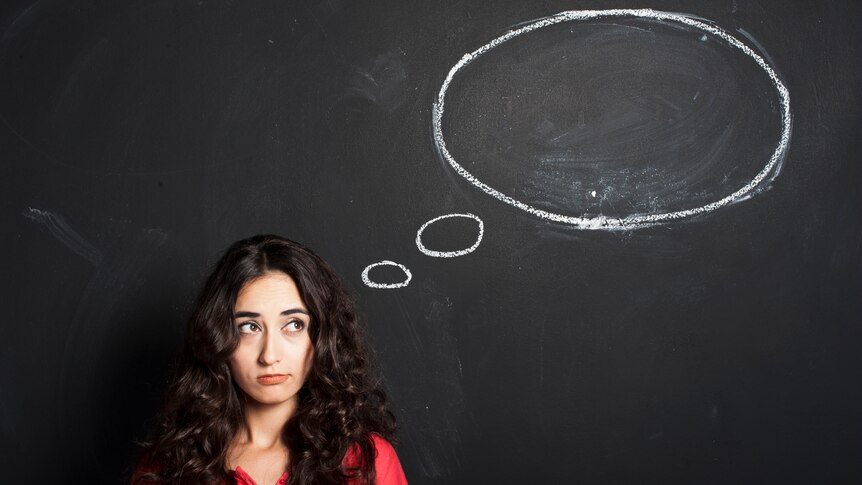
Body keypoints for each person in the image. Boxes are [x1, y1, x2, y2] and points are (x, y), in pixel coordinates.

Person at [132, 235, 407, 485]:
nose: (270, 355)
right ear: (218, 338)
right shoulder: (169, 465)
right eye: (249, 327)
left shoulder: (364, 463)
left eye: (294, 325)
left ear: (322, 337)